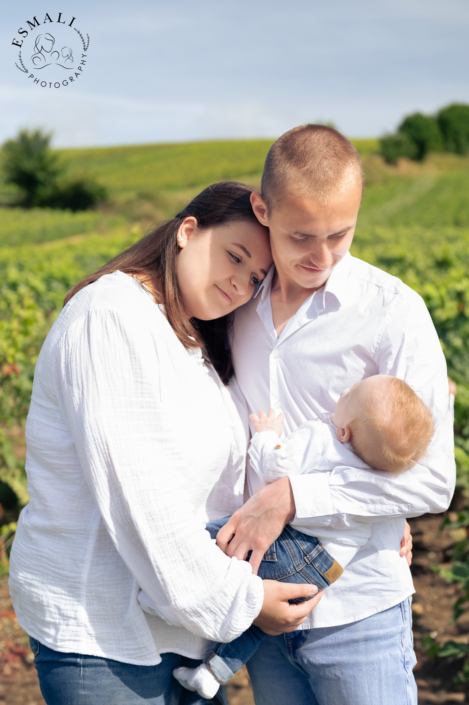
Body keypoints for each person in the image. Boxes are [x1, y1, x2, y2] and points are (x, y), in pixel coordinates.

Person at [8, 182, 323, 705]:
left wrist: (367, 514)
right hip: (105, 636)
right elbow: (142, 503)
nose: (239, 285)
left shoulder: (192, 336)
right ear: (187, 230)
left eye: (254, 278)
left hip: (180, 628)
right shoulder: (109, 316)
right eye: (234, 256)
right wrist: (244, 600)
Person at [214, 125, 455, 705]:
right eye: (301, 237)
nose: (321, 257)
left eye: (340, 235)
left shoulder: (393, 312)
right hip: (264, 613)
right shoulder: (233, 301)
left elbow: (432, 481)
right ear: (262, 209)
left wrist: (294, 496)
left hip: (361, 611)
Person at [170, 375, 435, 700]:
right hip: (328, 570)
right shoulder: (378, 472)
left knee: (210, 540)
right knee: (261, 617)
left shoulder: (325, 437)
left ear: (344, 432)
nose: (344, 390)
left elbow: (277, 467)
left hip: (296, 548)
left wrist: (267, 435)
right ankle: (212, 674)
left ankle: (163, 599)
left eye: (349, 393)